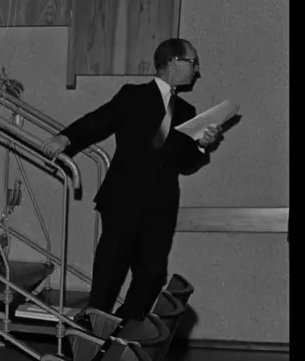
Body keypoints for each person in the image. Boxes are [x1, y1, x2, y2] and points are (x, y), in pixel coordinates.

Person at [41, 38, 222, 321]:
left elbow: (186, 163)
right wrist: (65, 137)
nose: (197, 70)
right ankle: (92, 331)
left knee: (152, 274)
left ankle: (123, 329)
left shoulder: (187, 112)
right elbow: (98, 120)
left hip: (161, 205)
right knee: (111, 270)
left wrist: (202, 145)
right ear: (174, 61)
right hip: (123, 198)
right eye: (193, 62)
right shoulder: (134, 95)